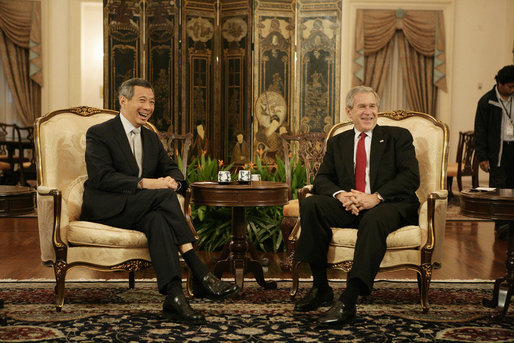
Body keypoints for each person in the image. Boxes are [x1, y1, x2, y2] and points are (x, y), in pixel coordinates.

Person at [80, 78, 239, 324]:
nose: (148, 107)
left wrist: (174, 182)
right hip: (106, 206)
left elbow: (172, 169)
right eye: (142, 100)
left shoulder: (151, 137)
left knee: (157, 220)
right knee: (162, 197)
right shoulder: (100, 133)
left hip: (142, 208)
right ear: (123, 101)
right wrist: (144, 182)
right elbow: (101, 178)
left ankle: (174, 296)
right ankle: (198, 268)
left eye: (152, 102)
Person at [293, 86, 420, 325]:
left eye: (372, 106)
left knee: (373, 219)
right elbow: (322, 179)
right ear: (349, 111)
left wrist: (375, 197)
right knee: (312, 205)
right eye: (362, 107)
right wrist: (341, 195)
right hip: (351, 204)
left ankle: (349, 299)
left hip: (390, 204)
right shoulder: (338, 141)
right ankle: (321, 288)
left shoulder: (398, 137)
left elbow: (411, 178)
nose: (368, 112)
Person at [474, 65, 514, 240]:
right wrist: (482, 156)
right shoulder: (486, 101)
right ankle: (501, 227)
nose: (513, 89)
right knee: (499, 189)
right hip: (497, 152)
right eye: (510, 86)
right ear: (500, 83)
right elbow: (480, 130)